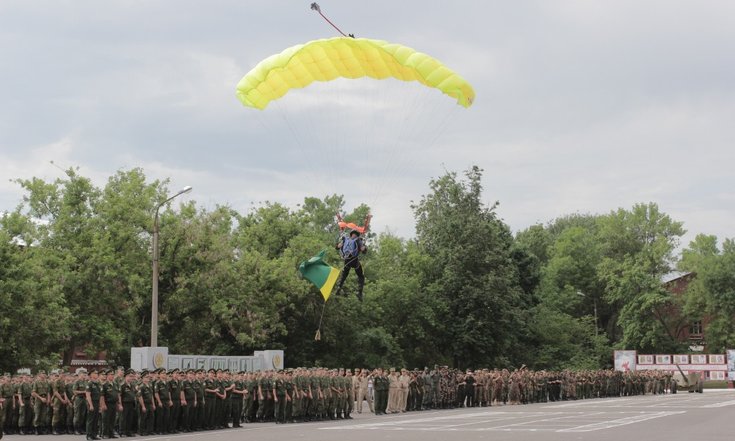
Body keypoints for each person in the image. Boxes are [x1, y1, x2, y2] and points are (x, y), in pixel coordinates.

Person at [334, 230, 367, 301]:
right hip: (354, 260)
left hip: (346, 260)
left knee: (344, 275)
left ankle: (338, 289)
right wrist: (364, 248)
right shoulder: (358, 240)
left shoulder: (345, 239)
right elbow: (363, 250)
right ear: (357, 235)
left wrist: (338, 245)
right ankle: (360, 293)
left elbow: (337, 247)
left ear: (351, 234)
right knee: (361, 276)